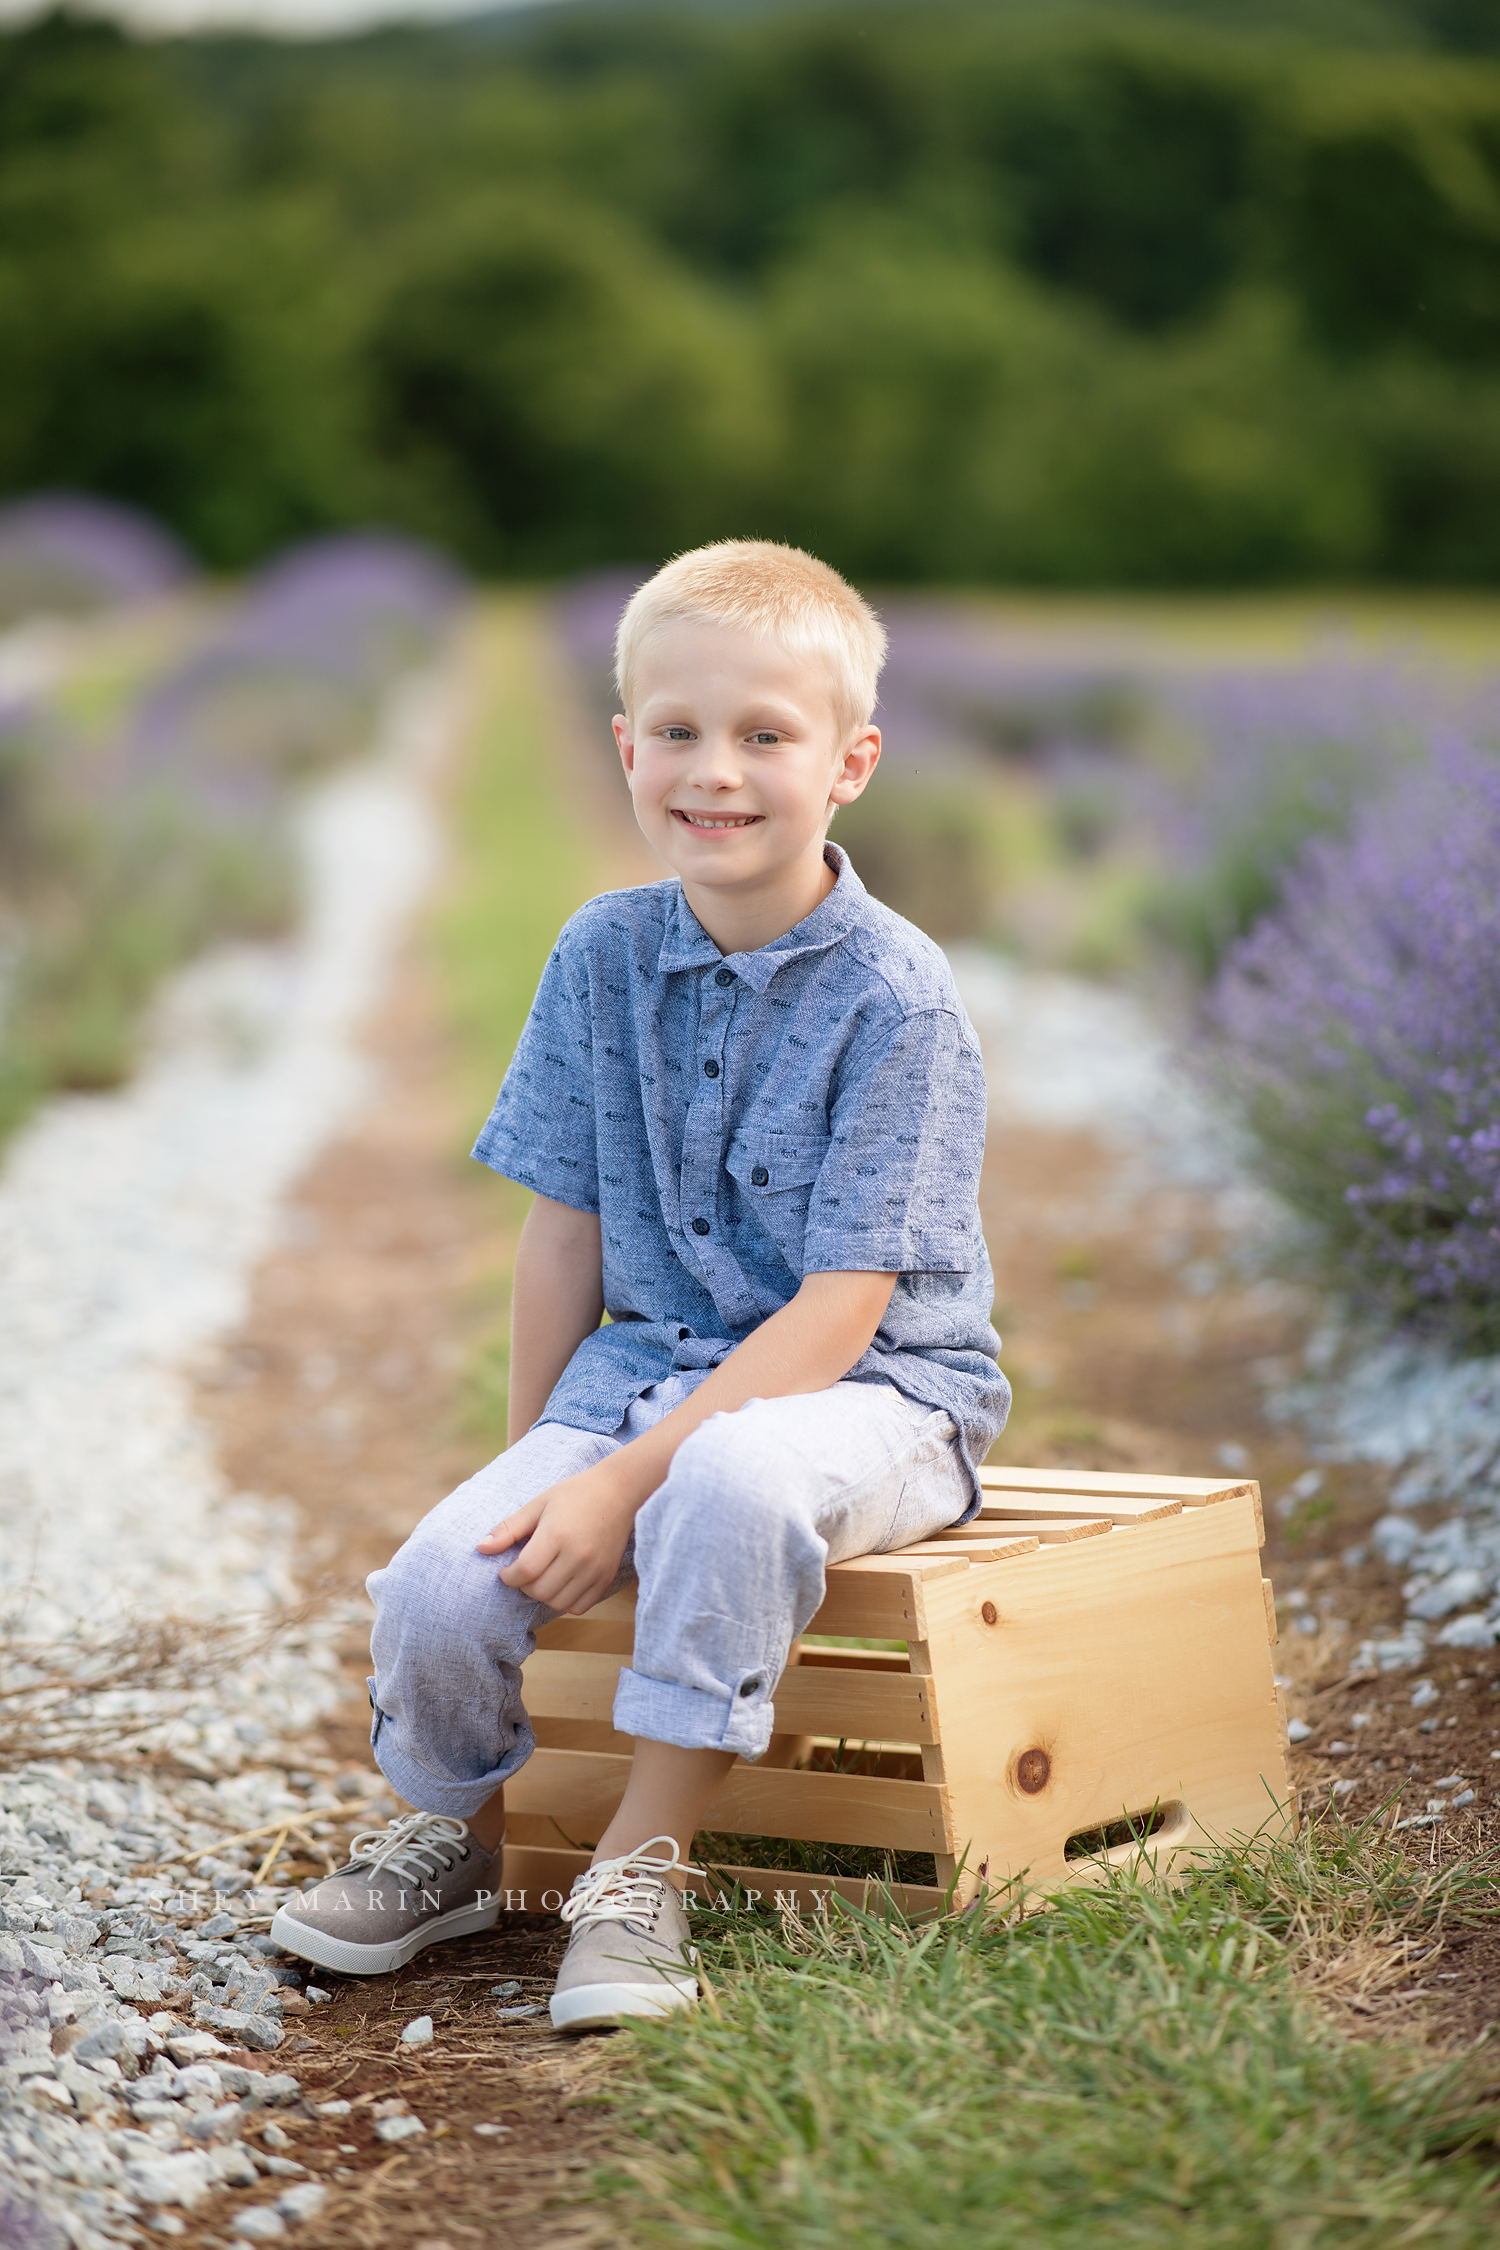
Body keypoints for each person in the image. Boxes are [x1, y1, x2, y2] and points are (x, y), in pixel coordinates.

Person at [270, 540, 1009, 2030]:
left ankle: (639, 1863)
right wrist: (537, 1469)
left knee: (728, 1484)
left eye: (764, 736)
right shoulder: (600, 954)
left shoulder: (901, 1001)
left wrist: (620, 1493)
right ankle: (462, 1846)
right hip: (647, 1369)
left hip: (878, 1394)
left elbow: (839, 1314)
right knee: (437, 1577)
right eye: (676, 730)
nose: (713, 771)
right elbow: (564, 1235)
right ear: (623, 745)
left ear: (850, 761)